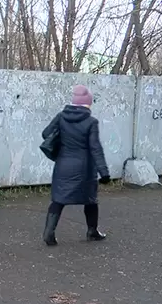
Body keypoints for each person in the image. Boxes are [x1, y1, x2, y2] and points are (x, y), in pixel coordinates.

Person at [41, 85, 111, 246]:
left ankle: (49, 232)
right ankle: (92, 231)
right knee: (91, 200)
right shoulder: (91, 121)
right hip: (84, 168)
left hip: (63, 165)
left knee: (58, 200)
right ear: (87, 104)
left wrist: (61, 140)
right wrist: (104, 172)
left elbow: (46, 133)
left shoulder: (61, 117)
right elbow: (95, 147)